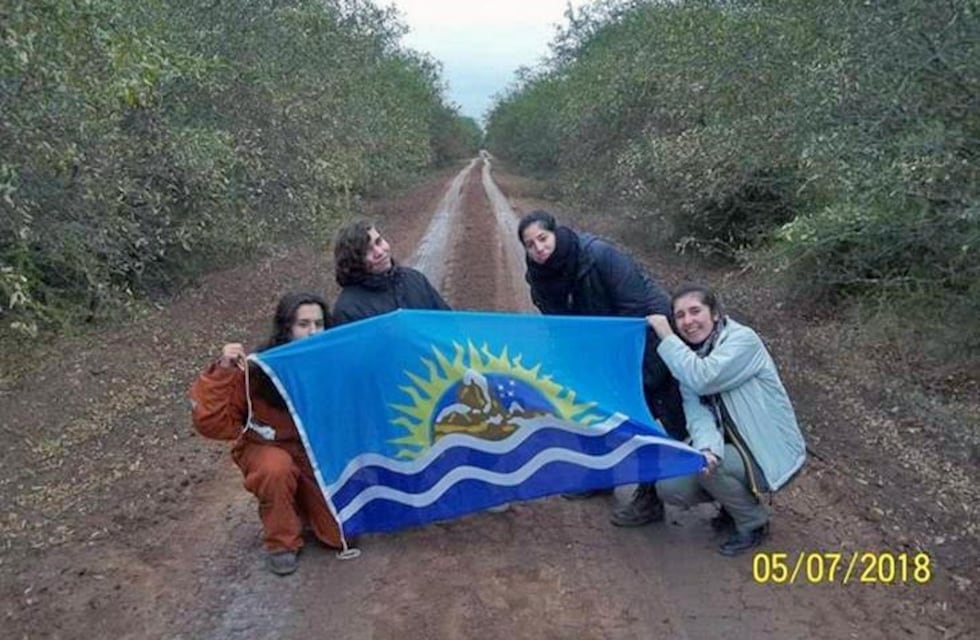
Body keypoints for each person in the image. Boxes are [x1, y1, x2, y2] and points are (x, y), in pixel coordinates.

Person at [517, 210, 686, 526]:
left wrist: (615, 361)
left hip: (647, 342)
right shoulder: (539, 278)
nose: (539, 248)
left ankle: (650, 499)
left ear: (556, 232)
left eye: (543, 238)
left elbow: (635, 307)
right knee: (594, 411)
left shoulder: (598, 255)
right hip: (600, 351)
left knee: (643, 417)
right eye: (530, 244)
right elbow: (558, 326)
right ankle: (600, 475)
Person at [647, 284, 806, 556]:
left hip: (766, 450)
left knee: (711, 469)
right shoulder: (690, 358)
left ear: (716, 314)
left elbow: (703, 378)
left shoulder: (742, 341)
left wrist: (665, 333)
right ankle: (732, 503)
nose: (688, 321)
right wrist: (708, 449)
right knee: (672, 486)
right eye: (680, 316)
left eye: (695, 311)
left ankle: (753, 522)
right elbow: (698, 413)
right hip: (734, 448)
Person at [189, 292, 341, 576]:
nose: (312, 333)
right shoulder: (257, 370)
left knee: (338, 536)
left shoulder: (333, 365)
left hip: (311, 452)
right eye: (303, 324)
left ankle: (303, 504)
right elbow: (212, 423)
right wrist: (223, 371)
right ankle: (281, 542)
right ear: (286, 328)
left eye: (319, 324)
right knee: (276, 469)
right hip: (265, 448)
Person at [332, 220, 449, 325]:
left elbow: (448, 323)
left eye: (378, 242)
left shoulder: (415, 279)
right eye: (366, 251)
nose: (379, 252)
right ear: (353, 261)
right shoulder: (348, 310)